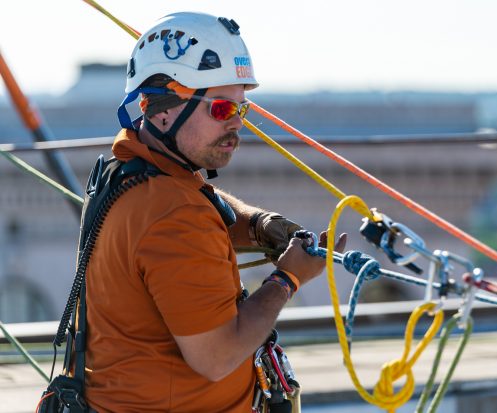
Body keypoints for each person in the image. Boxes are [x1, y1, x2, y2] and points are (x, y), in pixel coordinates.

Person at [82, 12, 346, 412]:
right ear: (162, 108)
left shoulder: (132, 173)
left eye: (242, 109)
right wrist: (288, 278)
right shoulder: (173, 215)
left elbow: (205, 203)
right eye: (222, 109)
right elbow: (217, 357)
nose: (236, 125)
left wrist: (259, 226)